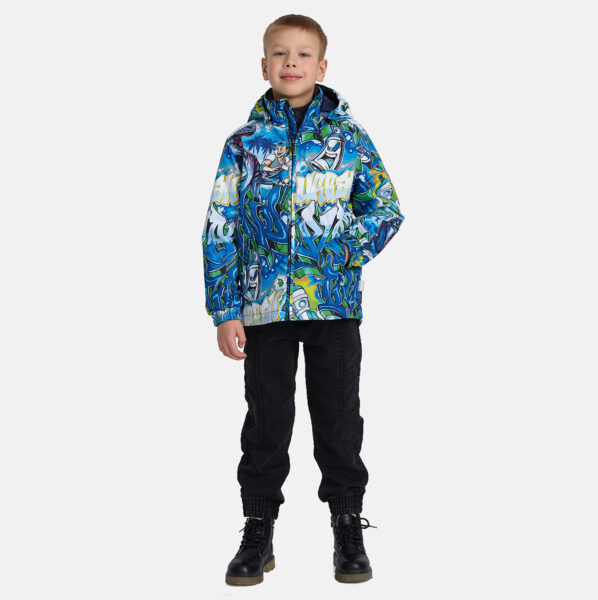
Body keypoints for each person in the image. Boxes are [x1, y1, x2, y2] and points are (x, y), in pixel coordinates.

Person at [201, 14, 405, 586]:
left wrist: (340, 251)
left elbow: (386, 209)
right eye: (280, 54)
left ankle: (347, 524)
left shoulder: (348, 138)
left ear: (322, 66)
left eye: (303, 54)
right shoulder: (243, 144)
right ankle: (258, 528)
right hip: (263, 306)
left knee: (338, 419)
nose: (291, 62)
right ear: (264, 66)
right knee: (267, 421)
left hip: (332, 306)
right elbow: (221, 225)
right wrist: (226, 309)